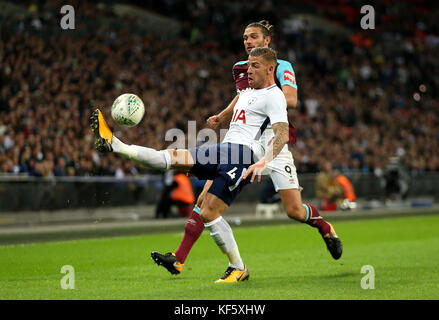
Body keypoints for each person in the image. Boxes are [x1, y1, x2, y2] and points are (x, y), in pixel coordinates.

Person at [151, 20, 343, 277]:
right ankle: (179, 258)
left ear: (267, 42)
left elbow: (292, 99)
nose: (248, 42)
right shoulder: (244, 69)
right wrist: (222, 115)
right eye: (245, 38)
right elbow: (243, 96)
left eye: (253, 37)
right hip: (242, 145)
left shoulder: (281, 66)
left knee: (294, 211)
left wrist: (268, 97)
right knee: (204, 199)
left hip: (274, 142)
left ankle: (324, 228)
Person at [92, 47, 290, 282]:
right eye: (248, 64)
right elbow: (239, 111)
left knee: (208, 211)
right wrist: (220, 117)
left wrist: (264, 162)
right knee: (173, 158)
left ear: (270, 69)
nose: (248, 69)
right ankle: (114, 144)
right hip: (225, 149)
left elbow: (282, 134)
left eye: (255, 65)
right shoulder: (246, 92)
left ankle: (238, 268)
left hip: (243, 156)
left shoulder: (275, 95)